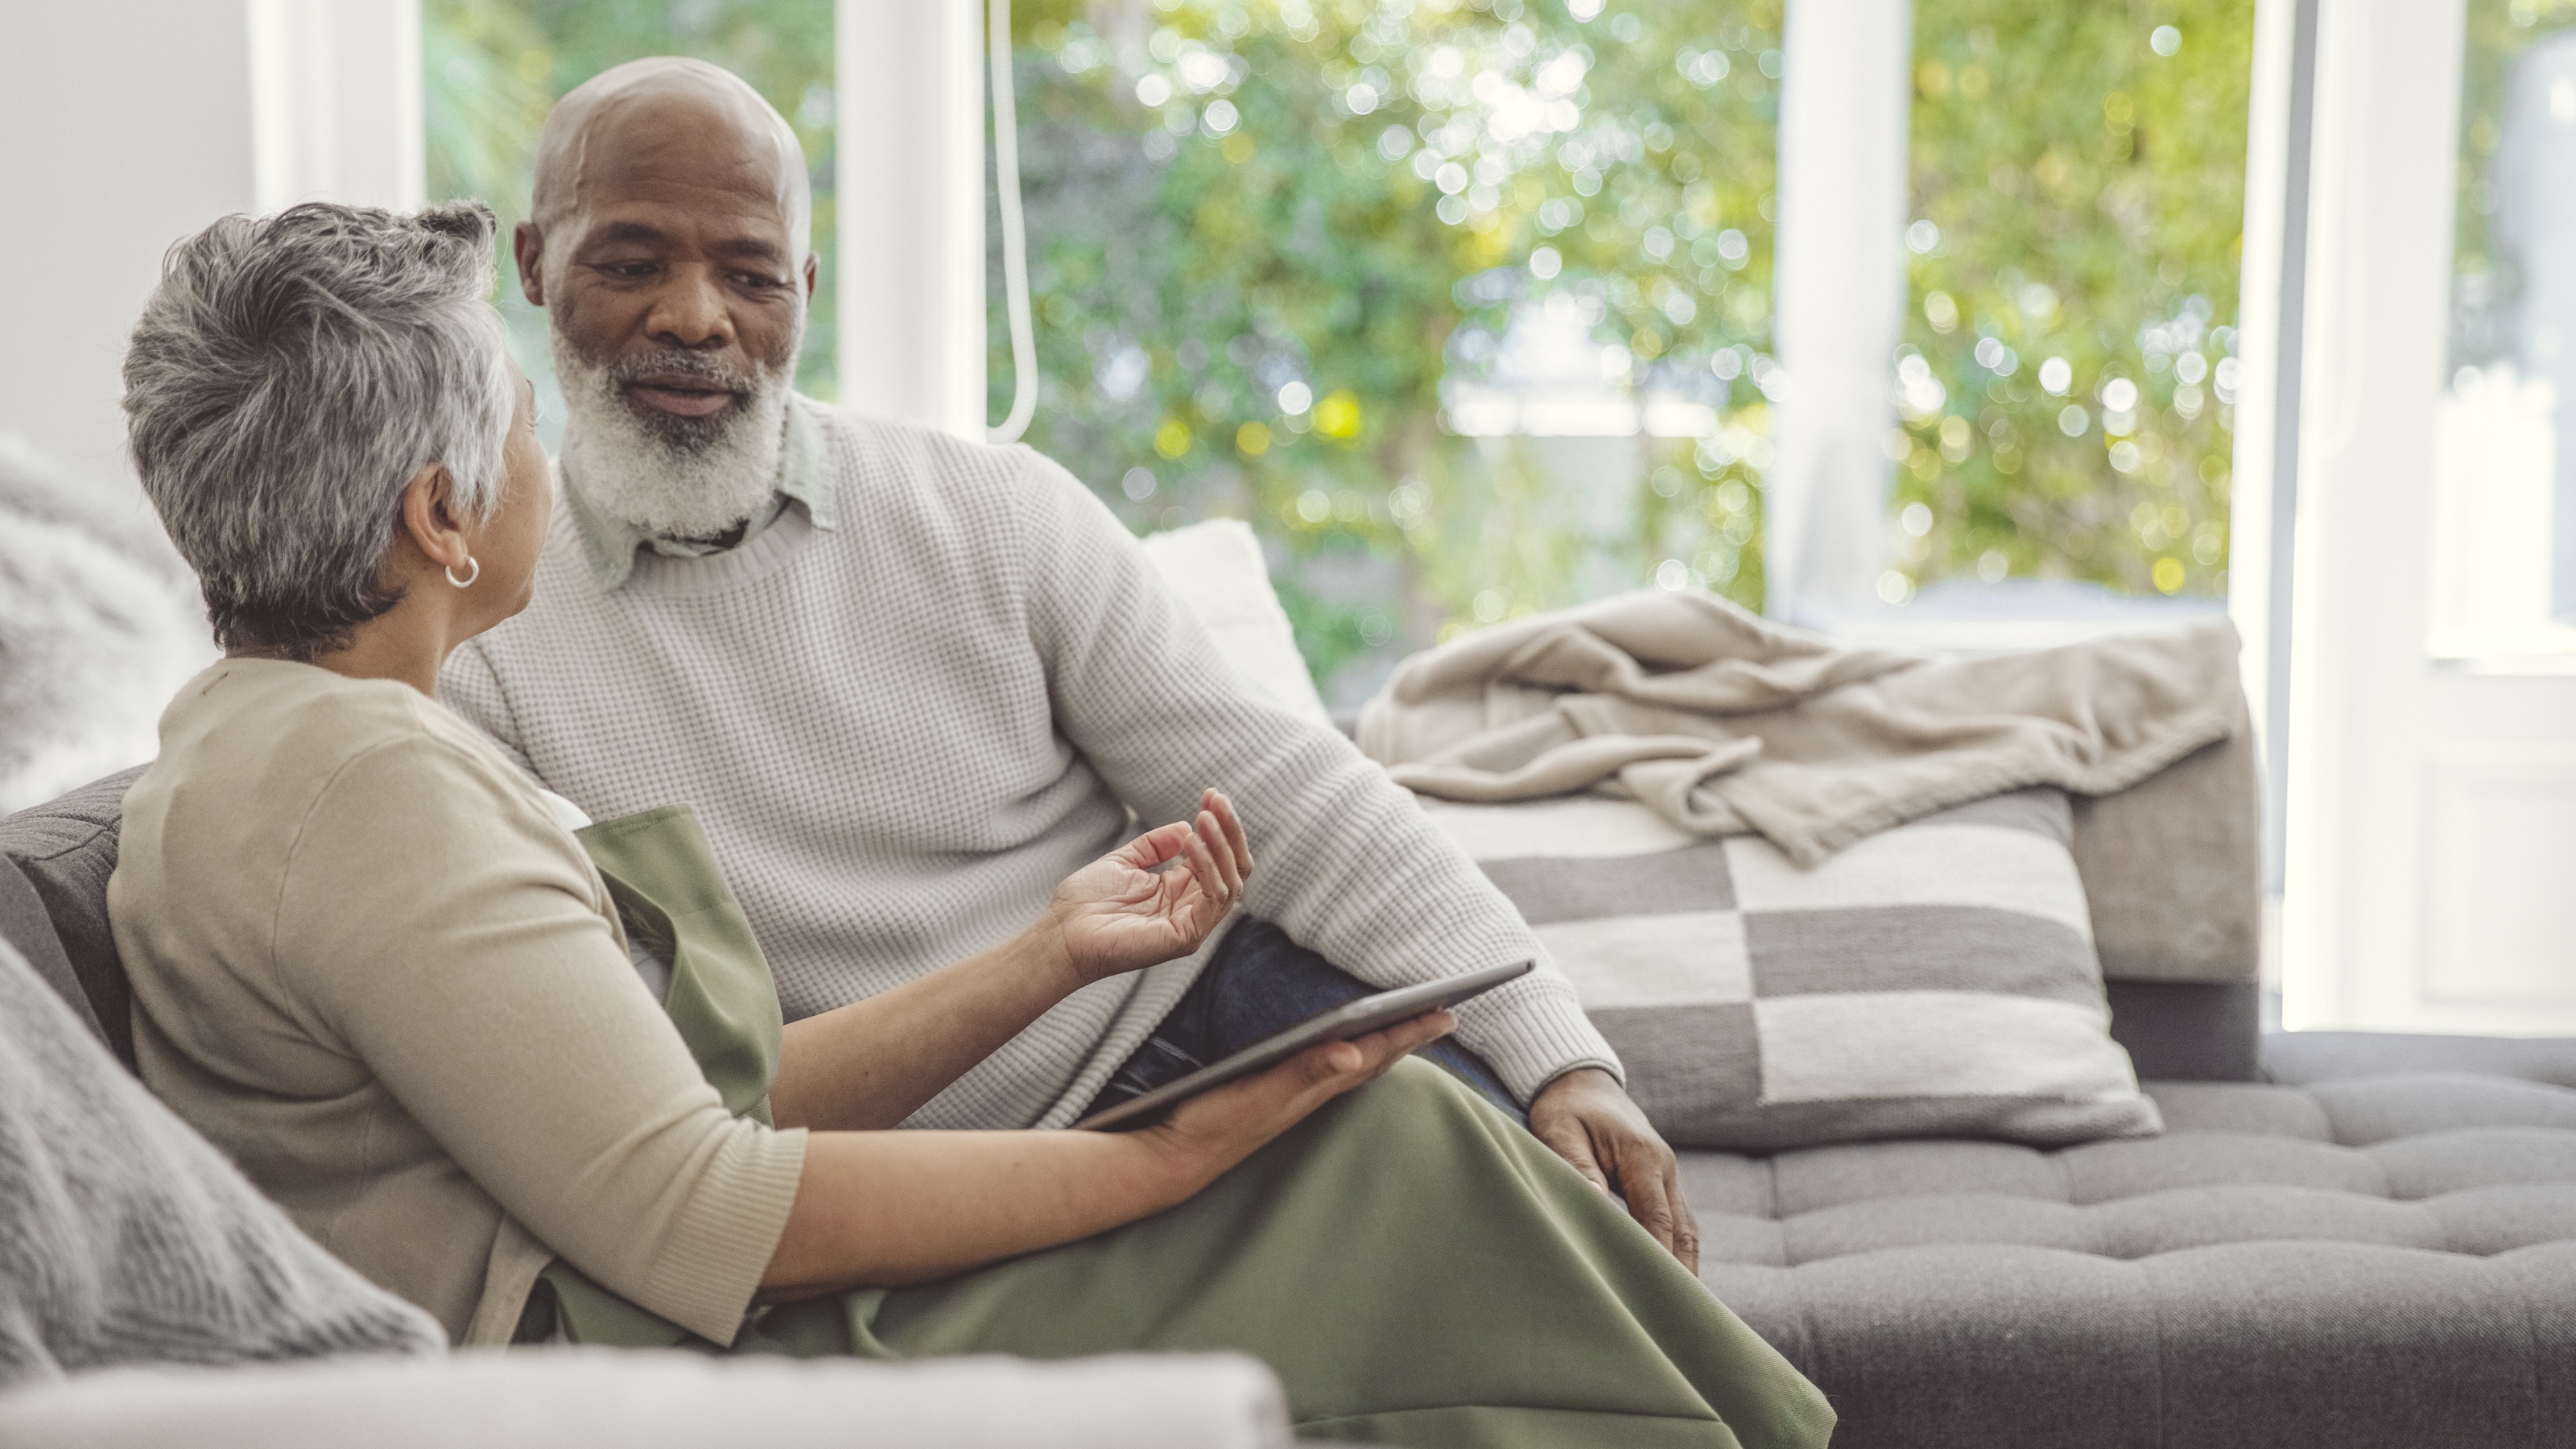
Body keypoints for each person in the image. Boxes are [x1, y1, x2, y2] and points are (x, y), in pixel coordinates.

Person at [107, 200, 1833, 1447]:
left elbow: (671, 1114)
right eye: (514, 407)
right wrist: (1156, 1161)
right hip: (678, 1353)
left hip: (667, 1283)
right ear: (442, 514)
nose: (553, 441)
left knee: (1396, 1149)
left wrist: (1044, 961)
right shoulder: (372, 785)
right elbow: (707, 1203)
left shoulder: (286, 741)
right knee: (1391, 1167)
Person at [436, 55, 1703, 1261]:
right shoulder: (474, 632)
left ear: (806, 289)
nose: (694, 318)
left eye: (750, 274)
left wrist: (1558, 1051)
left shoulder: (993, 511)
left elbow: (1282, 790)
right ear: (538, 268)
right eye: (634, 260)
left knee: (1555, 1229)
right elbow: (632, 1069)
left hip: (1202, 1019)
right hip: (890, 1174)